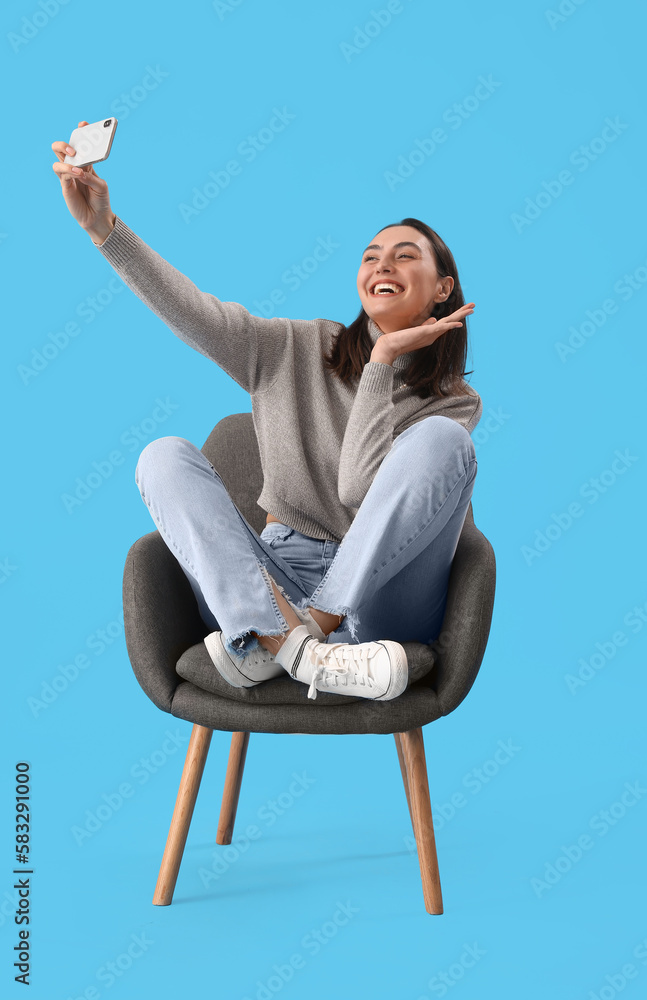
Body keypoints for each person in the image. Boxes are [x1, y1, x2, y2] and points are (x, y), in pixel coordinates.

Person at [51, 121, 481, 703]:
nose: (383, 265)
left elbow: (357, 489)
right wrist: (106, 231)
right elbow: (195, 314)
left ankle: (290, 644)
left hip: (383, 594)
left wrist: (380, 362)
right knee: (164, 457)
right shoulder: (295, 347)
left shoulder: (452, 402)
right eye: (371, 256)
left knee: (442, 443)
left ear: (442, 289)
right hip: (270, 583)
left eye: (405, 257)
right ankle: (297, 648)